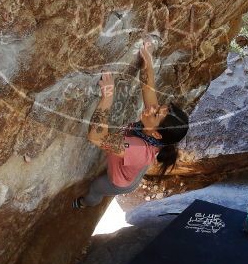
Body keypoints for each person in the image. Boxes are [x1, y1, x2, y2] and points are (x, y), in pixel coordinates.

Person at [73, 39, 189, 209]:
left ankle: (83, 204)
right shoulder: (154, 128)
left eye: (156, 113)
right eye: (159, 107)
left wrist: (108, 96)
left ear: (157, 134)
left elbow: (96, 137)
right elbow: (148, 87)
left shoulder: (139, 149)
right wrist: (147, 58)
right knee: (125, 163)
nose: (152, 108)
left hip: (119, 182)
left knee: (96, 188)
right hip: (133, 167)